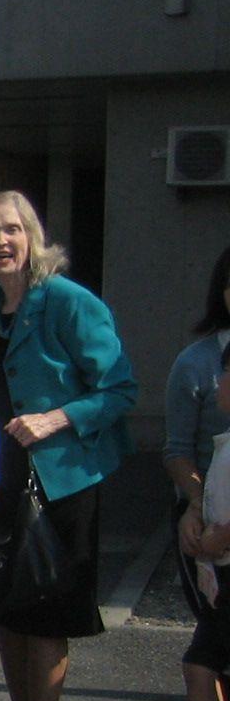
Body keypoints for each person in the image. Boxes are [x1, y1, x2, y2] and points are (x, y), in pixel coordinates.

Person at [0, 191, 136, 701]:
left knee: (46, 611)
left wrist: (55, 418)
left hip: (61, 480)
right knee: (8, 610)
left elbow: (120, 390)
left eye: (12, 230)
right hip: (4, 477)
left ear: (32, 237)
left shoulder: (67, 301)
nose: (1, 242)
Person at [148, 337, 230, 701]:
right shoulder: (221, 445)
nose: (219, 383)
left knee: (207, 667)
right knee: (201, 666)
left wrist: (223, 537)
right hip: (221, 581)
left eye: (227, 376)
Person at [162, 245, 230, 619]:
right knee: (211, 647)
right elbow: (177, 450)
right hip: (209, 516)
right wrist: (196, 504)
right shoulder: (195, 362)